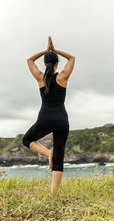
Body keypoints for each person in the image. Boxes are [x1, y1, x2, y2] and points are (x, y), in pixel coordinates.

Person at [22, 36, 75, 195]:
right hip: (61, 120)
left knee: (27, 140)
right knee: (59, 157)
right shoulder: (63, 76)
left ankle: (47, 153)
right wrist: (54, 50)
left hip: (44, 118)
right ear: (57, 63)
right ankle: (53, 195)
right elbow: (72, 58)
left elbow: (30, 60)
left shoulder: (40, 77)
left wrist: (46, 51)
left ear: (44, 64)